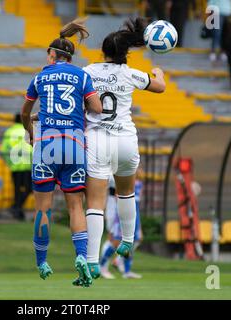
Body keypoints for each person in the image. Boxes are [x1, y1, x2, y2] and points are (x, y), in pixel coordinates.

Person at [81, 17, 166, 281]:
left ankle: (93, 262)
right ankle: (127, 241)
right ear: (125, 53)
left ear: (103, 52)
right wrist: (158, 73)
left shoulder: (88, 72)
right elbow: (160, 87)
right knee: (126, 193)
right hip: (125, 139)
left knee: (94, 203)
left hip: (96, 139)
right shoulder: (131, 74)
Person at [20, 18, 102, 286]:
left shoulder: (40, 76)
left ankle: (42, 262)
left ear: (53, 55)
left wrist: (31, 132)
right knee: (76, 206)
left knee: (43, 210)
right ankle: (80, 257)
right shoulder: (83, 75)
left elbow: (25, 111)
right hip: (75, 144)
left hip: (46, 145)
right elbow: (97, 108)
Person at [99, 173, 143, 279]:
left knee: (132, 240)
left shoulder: (137, 178)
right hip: (119, 210)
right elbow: (117, 194)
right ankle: (102, 266)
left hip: (132, 212)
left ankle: (125, 269)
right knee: (115, 240)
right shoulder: (118, 173)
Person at [1, 114, 33, 221]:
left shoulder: (9, 132)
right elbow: (32, 148)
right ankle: (17, 208)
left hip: (15, 166)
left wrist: (9, 163)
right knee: (29, 188)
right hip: (27, 165)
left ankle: (17, 209)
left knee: (17, 190)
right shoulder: (28, 130)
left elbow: (4, 150)